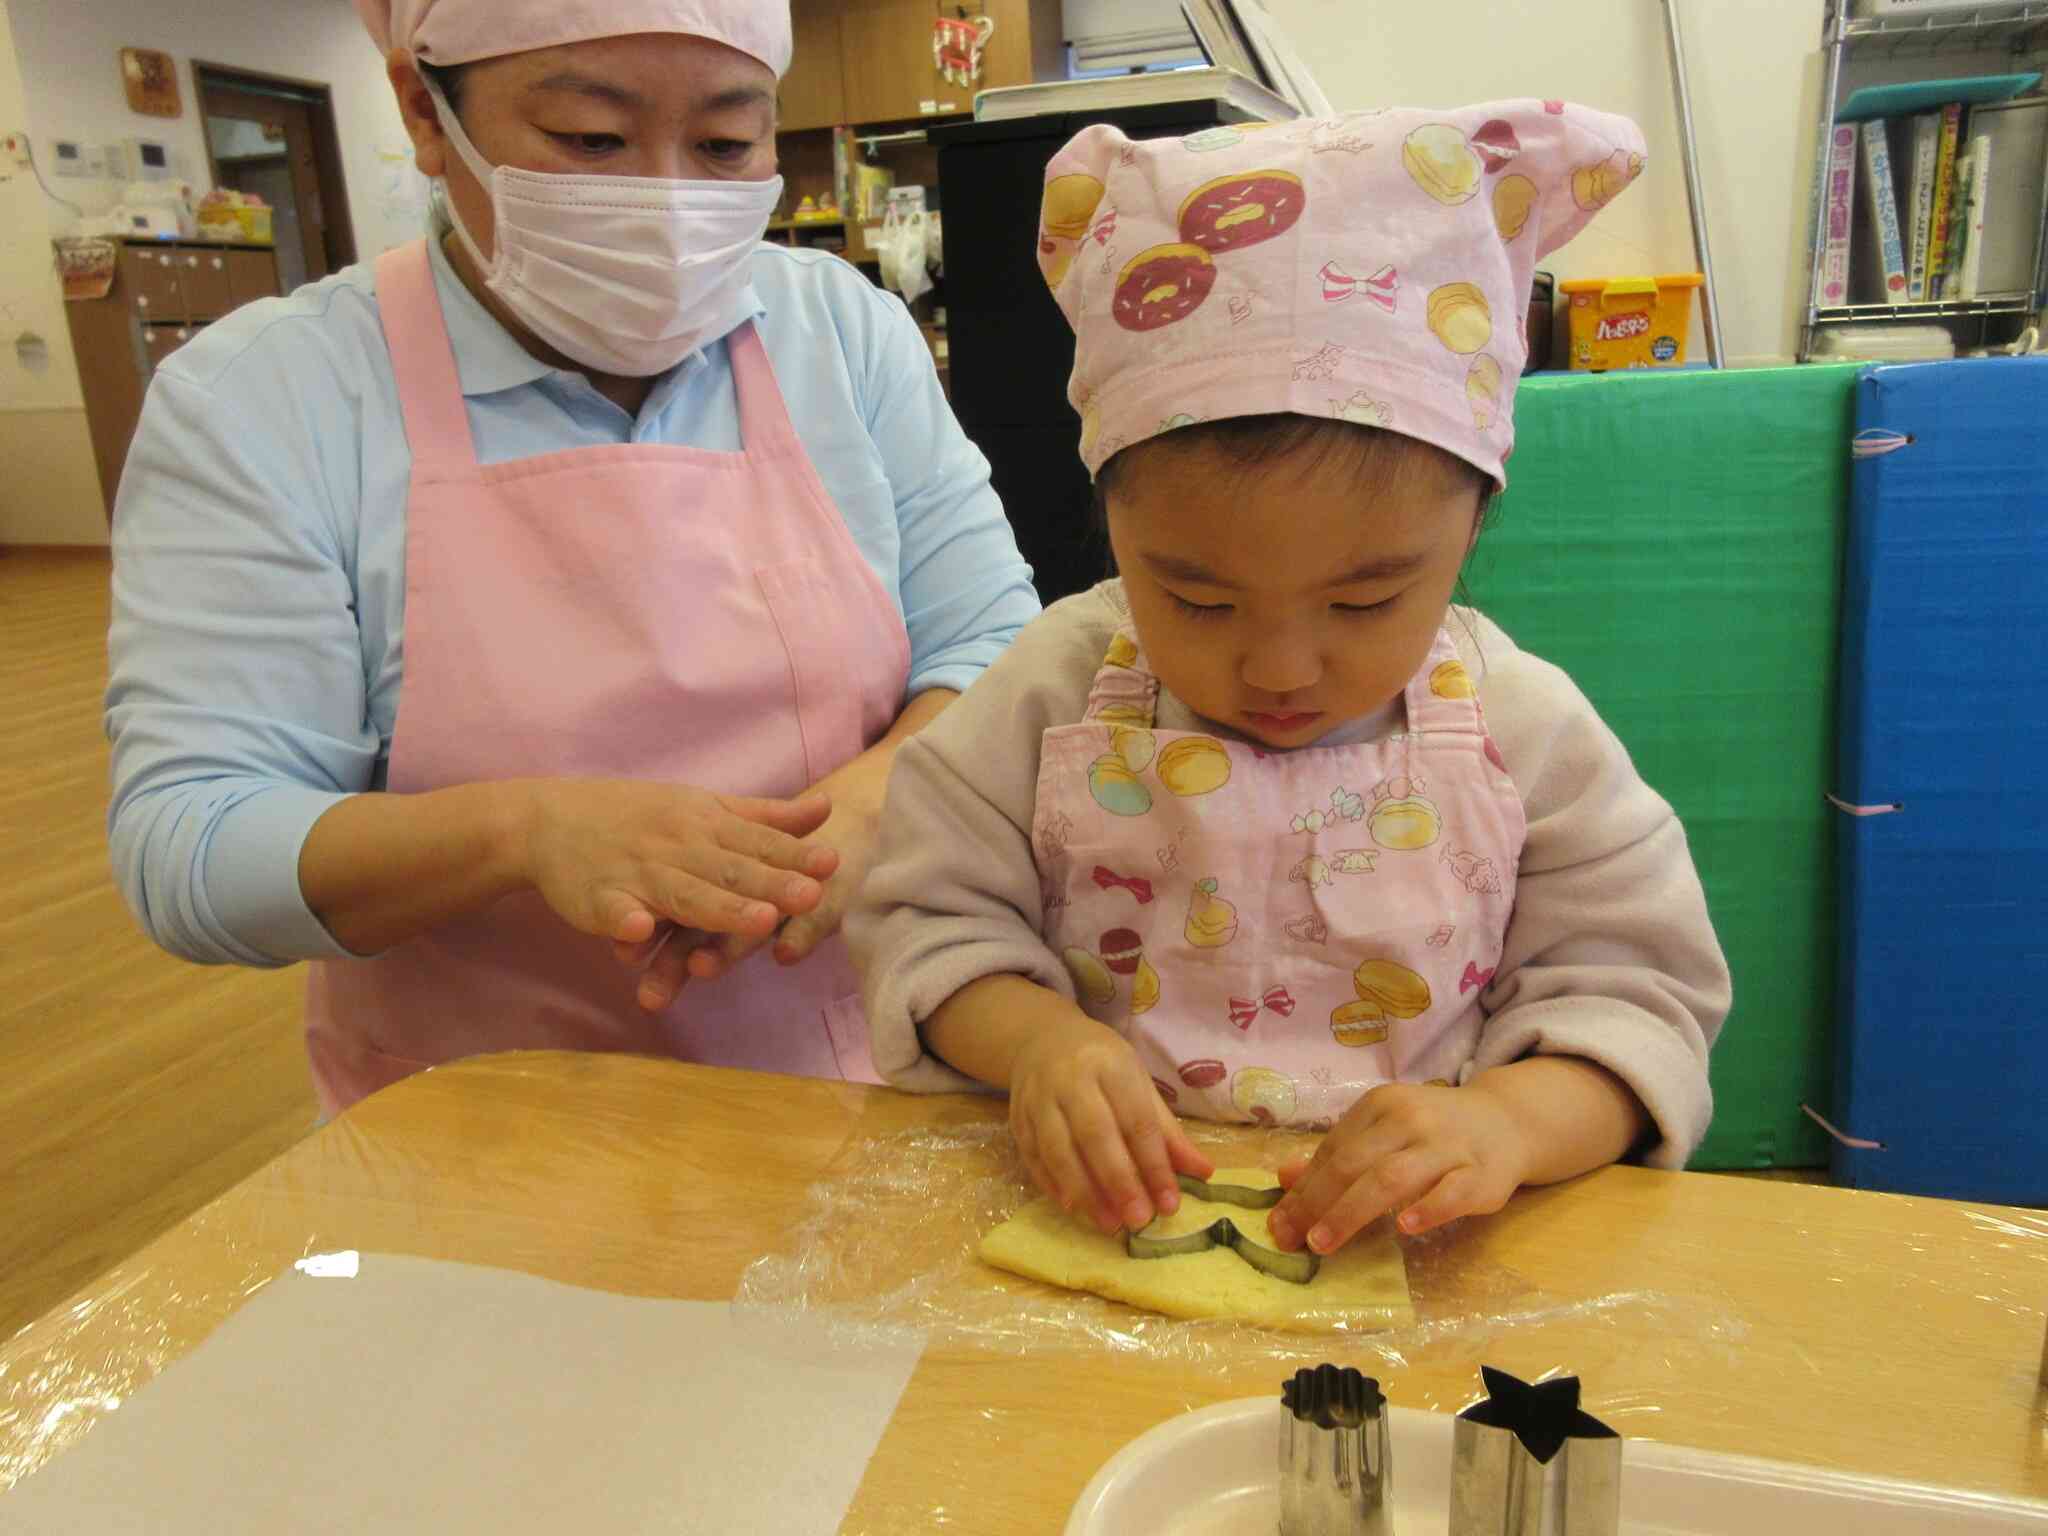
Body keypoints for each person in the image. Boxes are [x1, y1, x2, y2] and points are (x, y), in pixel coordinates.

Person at [104, 0, 1039, 1115]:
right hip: (482, 1133)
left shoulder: (840, 333)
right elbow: (194, 839)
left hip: (858, 1084)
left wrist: (876, 794)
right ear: (423, 109)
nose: (664, 200)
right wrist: (523, 832)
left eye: (726, 145)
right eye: (592, 141)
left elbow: (991, 643)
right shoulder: (270, 396)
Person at [848, 103, 1731, 1259]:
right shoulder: (1048, 694)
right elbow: (925, 922)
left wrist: (1505, 1125)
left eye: (1363, 603)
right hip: (1090, 1223)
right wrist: (1038, 1048)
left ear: (1467, 533)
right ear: (1110, 522)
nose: (1275, 668)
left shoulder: (1525, 729)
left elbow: (1635, 1002)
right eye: (1197, 601)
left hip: (1422, 1252)